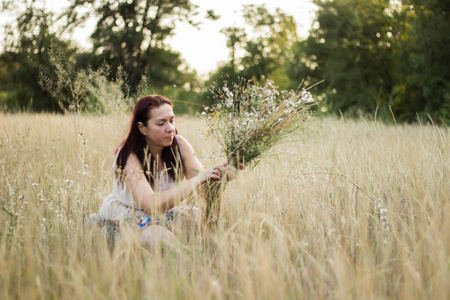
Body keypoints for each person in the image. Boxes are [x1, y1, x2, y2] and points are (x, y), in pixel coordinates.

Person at [89, 95, 237, 250]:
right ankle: (185, 261)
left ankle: (203, 259)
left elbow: (204, 191)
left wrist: (221, 178)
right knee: (158, 236)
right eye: (161, 123)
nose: (170, 128)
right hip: (128, 218)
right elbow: (151, 205)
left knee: (194, 216)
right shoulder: (128, 155)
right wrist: (196, 180)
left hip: (163, 216)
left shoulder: (180, 145)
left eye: (171, 120)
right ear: (142, 128)